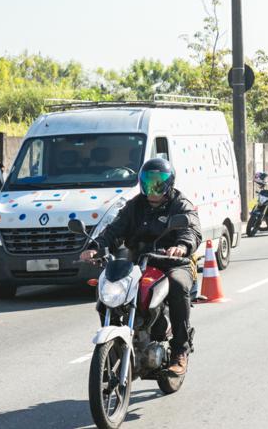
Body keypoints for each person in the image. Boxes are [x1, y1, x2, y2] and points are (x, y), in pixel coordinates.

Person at [80, 158, 201, 376]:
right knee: (109, 288)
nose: (152, 187)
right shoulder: (134, 206)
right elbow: (114, 230)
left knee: (178, 285)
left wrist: (182, 246)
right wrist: (95, 247)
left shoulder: (180, 204)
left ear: (168, 183)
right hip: (139, 262)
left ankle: (179, 351)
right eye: (147, 181)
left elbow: (191, 229)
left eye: (158, 181)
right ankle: (117, 345)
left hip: (172, 262)